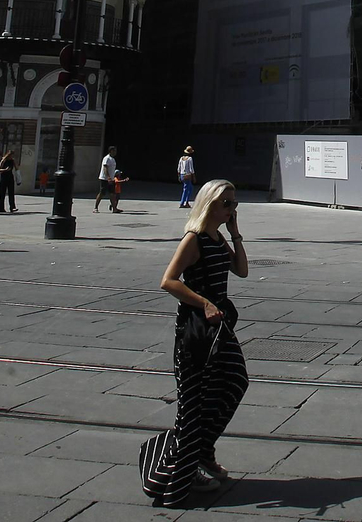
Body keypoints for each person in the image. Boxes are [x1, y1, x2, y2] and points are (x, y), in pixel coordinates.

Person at [140, 180, 250, 506]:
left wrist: (235, 234)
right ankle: (178, 473)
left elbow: (242, 270)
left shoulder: (217, 238)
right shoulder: (195, 238)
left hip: (220, 327)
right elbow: (168, 281)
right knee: (193, 404)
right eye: (226, 203)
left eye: (234, 203)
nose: (232, 209)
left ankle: (202, 451)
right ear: (210, 205)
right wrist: (204, 303)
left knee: (234, 383)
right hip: (197, 330)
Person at [95, 146, 121, 213]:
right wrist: (108, 177)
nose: (115, 152)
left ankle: (114, 208)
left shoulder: (113, 159)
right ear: (111, 151)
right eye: (114, 151)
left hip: (111, 179)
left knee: (112, 194)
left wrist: (112, 177)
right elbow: (105, 168)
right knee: (102, 193)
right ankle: (95, 208)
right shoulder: (107, 158)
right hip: (105, 179)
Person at [0, 147, 18, 213]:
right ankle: (0, 208)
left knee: (11, 193)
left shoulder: (12, 161)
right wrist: (5, 170)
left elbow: (16, 168)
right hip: (4, 178)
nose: (12, 157)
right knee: (2, 194)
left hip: (10, 178)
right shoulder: (4, 160)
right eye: (11, 155)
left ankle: (12, 207)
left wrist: (15, 164)